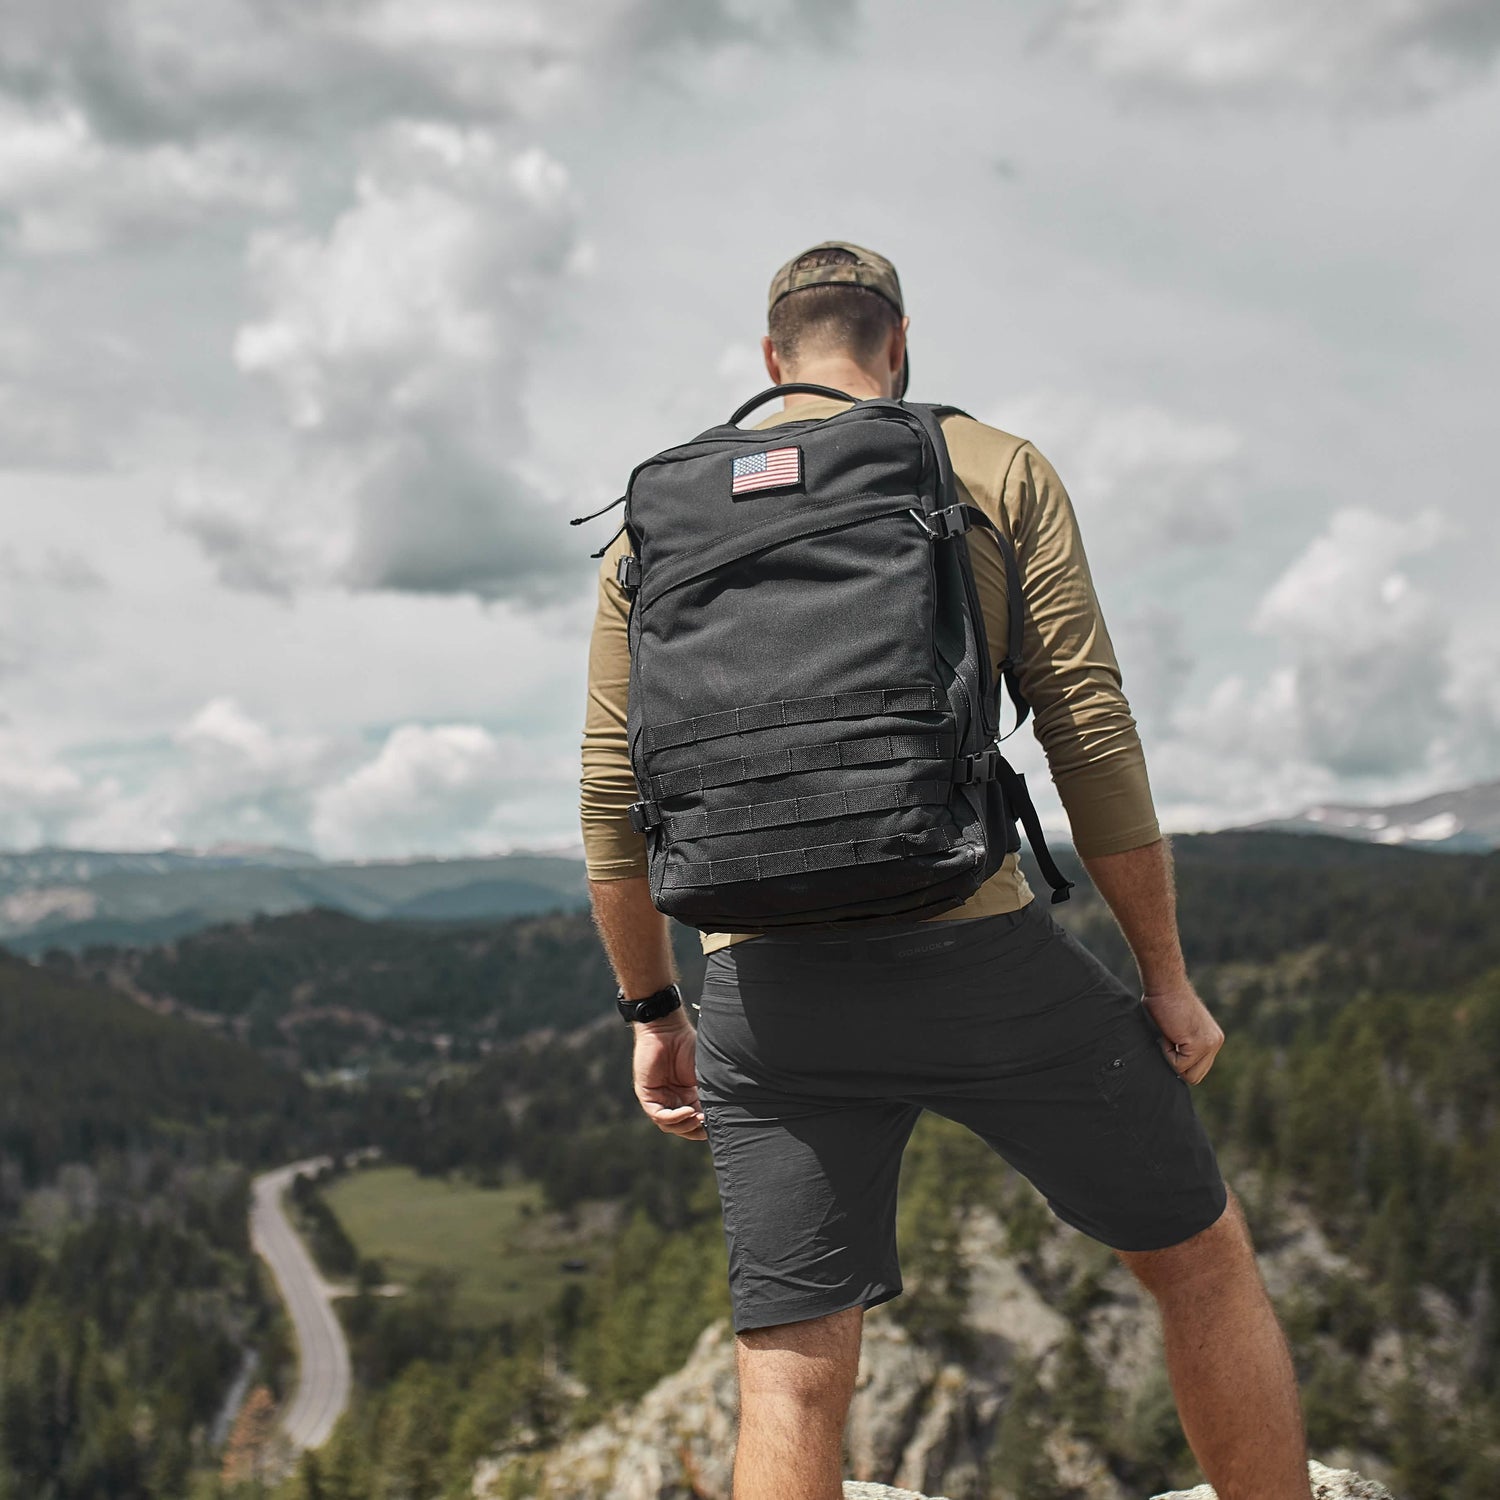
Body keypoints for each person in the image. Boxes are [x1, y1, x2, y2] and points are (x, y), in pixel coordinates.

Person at [579, 242, 1311, 1500]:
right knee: (1198, 1260)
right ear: (899, 344)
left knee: (793, 1366)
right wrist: (1167, 978)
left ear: (771, 359)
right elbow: (1087, 727)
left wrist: (656, 1013)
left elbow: (609, 796)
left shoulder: (660, 520)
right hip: (979, 960)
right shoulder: (987, 465)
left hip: (765, 991)